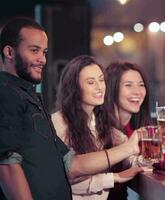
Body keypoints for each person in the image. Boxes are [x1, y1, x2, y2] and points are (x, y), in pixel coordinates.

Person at [0, 18, 139, 200]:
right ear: (10, 52)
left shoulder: (31, 97)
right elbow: (7, 164)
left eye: (44, 52)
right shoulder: (5, 93)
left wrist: (129, 148)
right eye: (34, 50)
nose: (42, 59)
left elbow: (72, 165)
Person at [52, 55, 143, 199]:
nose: (100, 87)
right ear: (74, 87)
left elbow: (132, 156)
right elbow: (62, 180)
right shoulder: (57, 123)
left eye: (101, 80)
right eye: (91, 82)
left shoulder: (103, 123)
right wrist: (113, 178)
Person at [104, 61, 165, 199]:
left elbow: (149, 158)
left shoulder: (134, 128)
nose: (137, 92)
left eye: (141, 85)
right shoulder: (102, 129)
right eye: (128, 85)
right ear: (111, 89)